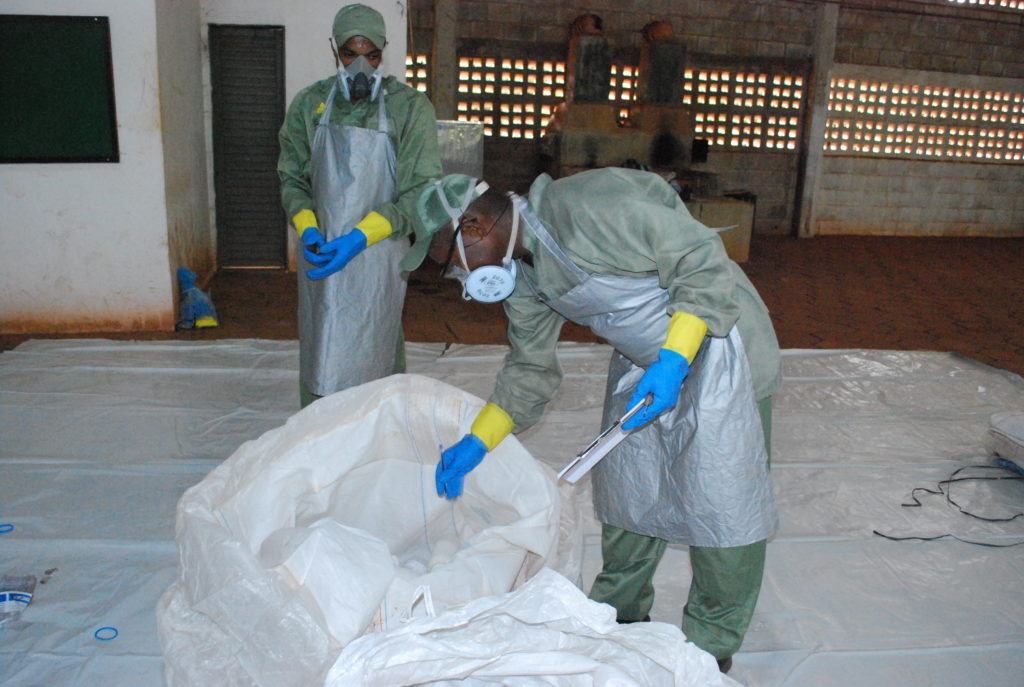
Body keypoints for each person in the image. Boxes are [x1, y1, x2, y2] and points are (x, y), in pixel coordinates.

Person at [404, 168, 782, 673]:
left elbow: (699, 259)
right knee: (631, 491)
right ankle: (620, 614)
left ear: (473, 227)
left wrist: (676, 358)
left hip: (721, 349)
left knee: (723, 505)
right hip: (648, 363)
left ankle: (710, 642)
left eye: (453, 262)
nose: (461, 277)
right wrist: (477, 440)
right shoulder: (525, 280)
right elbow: (530, 371)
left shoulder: (586, 207)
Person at [277, 3, 442, 407]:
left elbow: (421, 192)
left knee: (376, 342)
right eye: (350, 54)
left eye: (372, 55)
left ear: (384, 51)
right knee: (322, 339)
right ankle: (318, 428)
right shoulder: (310, 104)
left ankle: (377, 429)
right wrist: (308, 227)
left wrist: (359, 238)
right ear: (334, 49)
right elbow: (293, 177)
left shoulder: (408, 108)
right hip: (322, 251)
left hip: (379, 252)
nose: (361, 66)